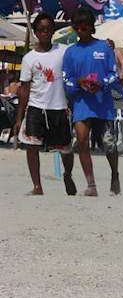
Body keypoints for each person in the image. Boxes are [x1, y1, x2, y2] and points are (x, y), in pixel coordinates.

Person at [13, 13, 76, 195]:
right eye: (41, 30)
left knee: (66, 148)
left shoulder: (63, 51)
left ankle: (68, 175)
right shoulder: (29, 58)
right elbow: (24, 89)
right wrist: (19, 117)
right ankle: (37, 186)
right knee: (32, 146)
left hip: (59, 107)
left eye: (48, 29)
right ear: (35, 32)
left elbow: (76, 63)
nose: (45, 33)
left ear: (53, 31)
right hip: (36, 107)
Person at [62, 8, 122, 195]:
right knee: (81, 141)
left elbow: (115, 75)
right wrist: (79, 83)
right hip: (81, 104)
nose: (82, 30)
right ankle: (91, 185)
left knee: (109, 145)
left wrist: (101, 84)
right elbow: (66, 79)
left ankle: (114, 175)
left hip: (103, 104)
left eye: (85, 27)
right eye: (78, 28)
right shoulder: (70, 53)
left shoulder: (104, 47)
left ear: (91, 28)